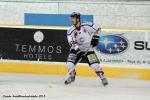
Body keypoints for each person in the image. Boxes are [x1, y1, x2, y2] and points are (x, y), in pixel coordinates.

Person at [64, 12, 108, 86]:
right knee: (69, 64)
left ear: (78, 19)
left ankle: (102, 77)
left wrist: (96, 37)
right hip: (76, 49)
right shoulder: (70, 30)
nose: (71, 20)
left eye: (73, 18)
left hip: (88, 49)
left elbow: (98, 28)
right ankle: (72, 76)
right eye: (71, 18)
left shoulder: (87, 25)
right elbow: (71, 42)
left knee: (95, 66)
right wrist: (78, 50)